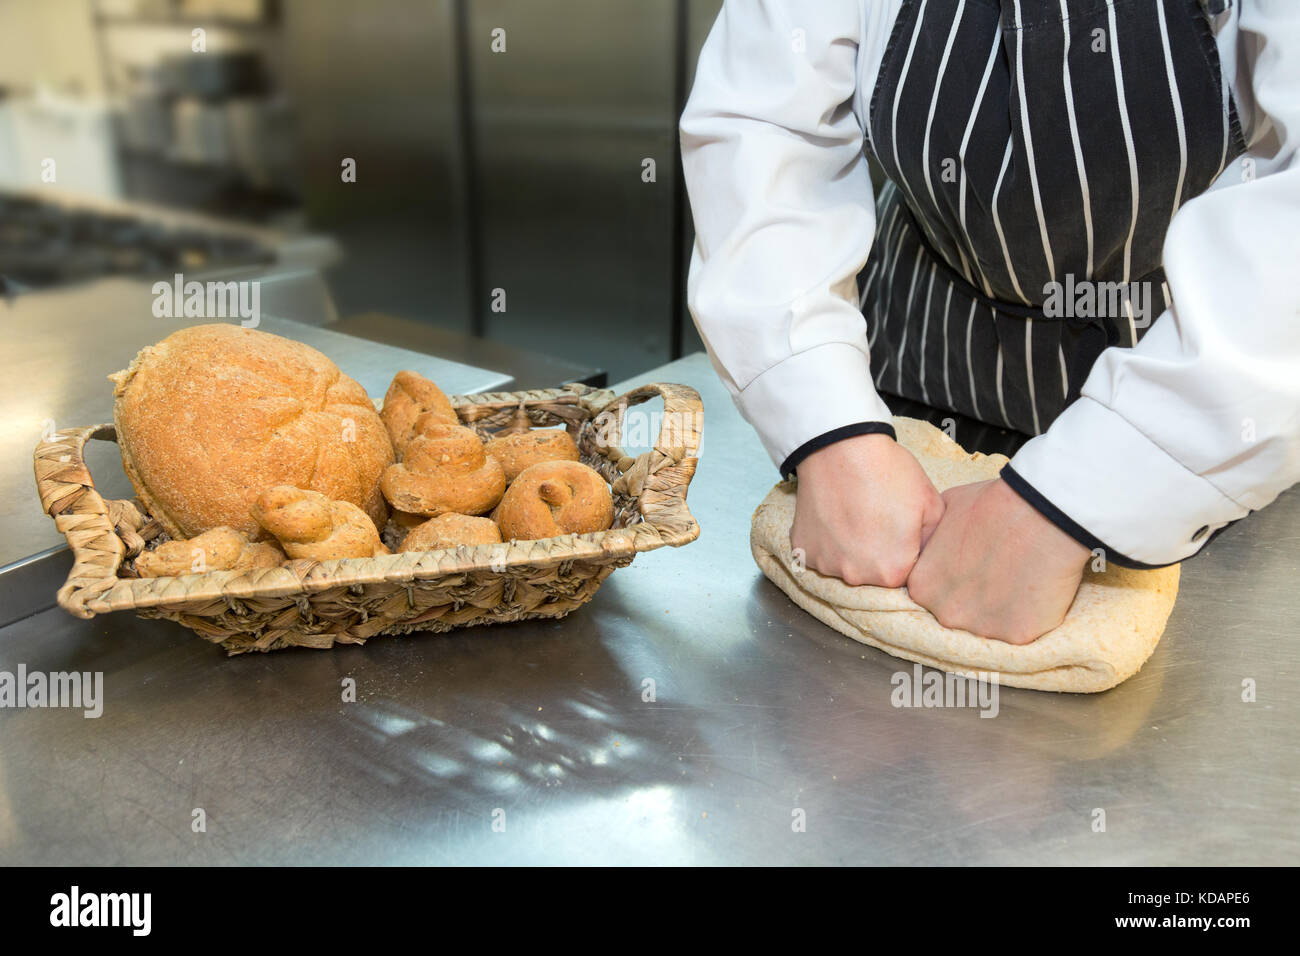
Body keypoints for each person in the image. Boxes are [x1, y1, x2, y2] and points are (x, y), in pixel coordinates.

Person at [681, 0, 1300, 643]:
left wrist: (1088, 496)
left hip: (1219, 417)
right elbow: (763, 128)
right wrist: (824, 424)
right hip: (908, 378)